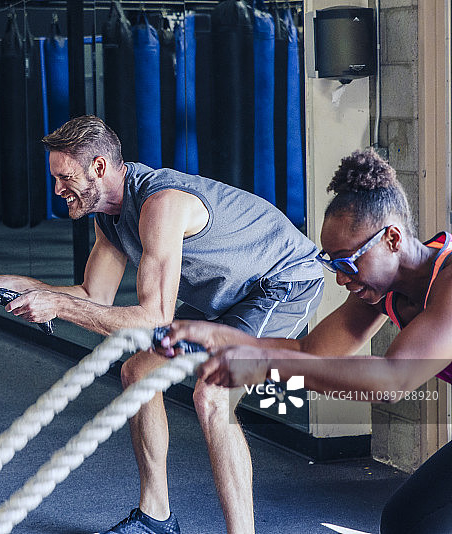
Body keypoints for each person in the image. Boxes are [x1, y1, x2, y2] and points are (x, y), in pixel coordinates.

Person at [0, 115, 324, 534]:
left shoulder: (160, 204)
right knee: (137, 372)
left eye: (65, 177)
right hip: (224, 298)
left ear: (99, 167)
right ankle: (156, 515)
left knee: (212, 394)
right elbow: (93, 295)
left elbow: (153, 319)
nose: (57, 190)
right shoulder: (109, 216)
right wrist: (23, 284)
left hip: (280, 284)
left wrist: (57, 307)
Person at [162, 148, 452, 533]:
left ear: (392, 239)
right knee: (410, 520)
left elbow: (392, 380)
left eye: (349, 262)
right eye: (333, 264)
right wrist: (219, 336)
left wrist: (261, 364)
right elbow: (312, 352)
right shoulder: (387, 291)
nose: (341, 277)